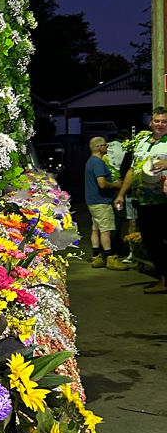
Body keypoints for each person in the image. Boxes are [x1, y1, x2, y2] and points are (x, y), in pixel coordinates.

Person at [114, 106, 167, 294]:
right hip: (143, 201)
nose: (160, 124)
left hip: (164, 200)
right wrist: (121, 194)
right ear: (150, 123)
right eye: (157, 121)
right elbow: (132, 170)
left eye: (164, 121)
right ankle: (163, 279)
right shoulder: (142, 142)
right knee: (152, 241)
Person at [84, 137, 127, 270]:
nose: (107, 147)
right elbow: (102, 183)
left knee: (95, 229)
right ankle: (110, 257)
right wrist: (115, 185)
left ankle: (96, 256)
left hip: (92, 201)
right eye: (105, 145)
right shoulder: (97, 163)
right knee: (106, 230)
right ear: (99, 147)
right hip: (101, 201)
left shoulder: (90, 162)